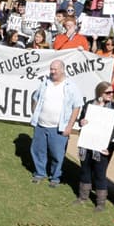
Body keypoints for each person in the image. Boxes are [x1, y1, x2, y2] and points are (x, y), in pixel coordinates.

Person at [29, 59, 83, 187]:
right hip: (41, 124)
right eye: (51, 69)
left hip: (58, 127)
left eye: (55, 69)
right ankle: (39, 173)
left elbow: (77, 106)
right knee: (38, 150)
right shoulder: (45, 83)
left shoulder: (70, 86)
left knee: (57, 154)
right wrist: (34, 113)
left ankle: (55, 177)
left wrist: (69, 126)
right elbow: (35, 98)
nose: (52, 72)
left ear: (62, 70)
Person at [77, 81, 114, 211]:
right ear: (100, 93)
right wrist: (81, 122)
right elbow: (81, 119)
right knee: (85, 170)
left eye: (112, 92)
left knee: (100, 174)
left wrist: (109, 146)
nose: (111, 94)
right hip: (87, 144)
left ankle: (100, 203)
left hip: (103, 148)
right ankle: (83, 197)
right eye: (108, 92)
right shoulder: (89, 105)